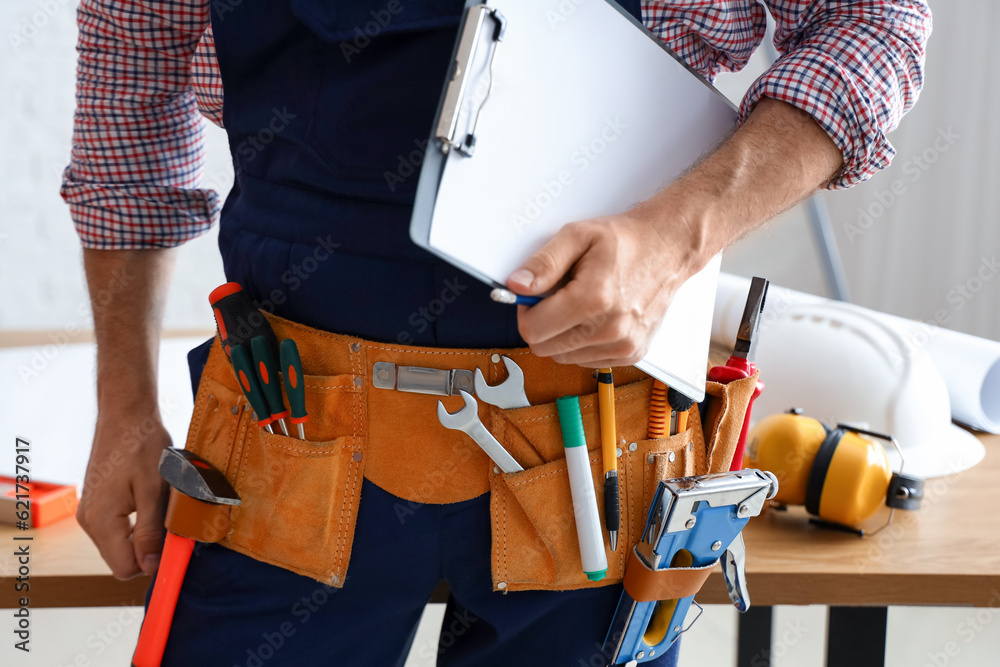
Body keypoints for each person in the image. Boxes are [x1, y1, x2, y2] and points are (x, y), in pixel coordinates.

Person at [62, 1, 931, 664]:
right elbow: (127, 113)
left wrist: (672, 239)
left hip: (600, 466)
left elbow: (876, 23)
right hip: (286, 459)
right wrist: (125, 407)